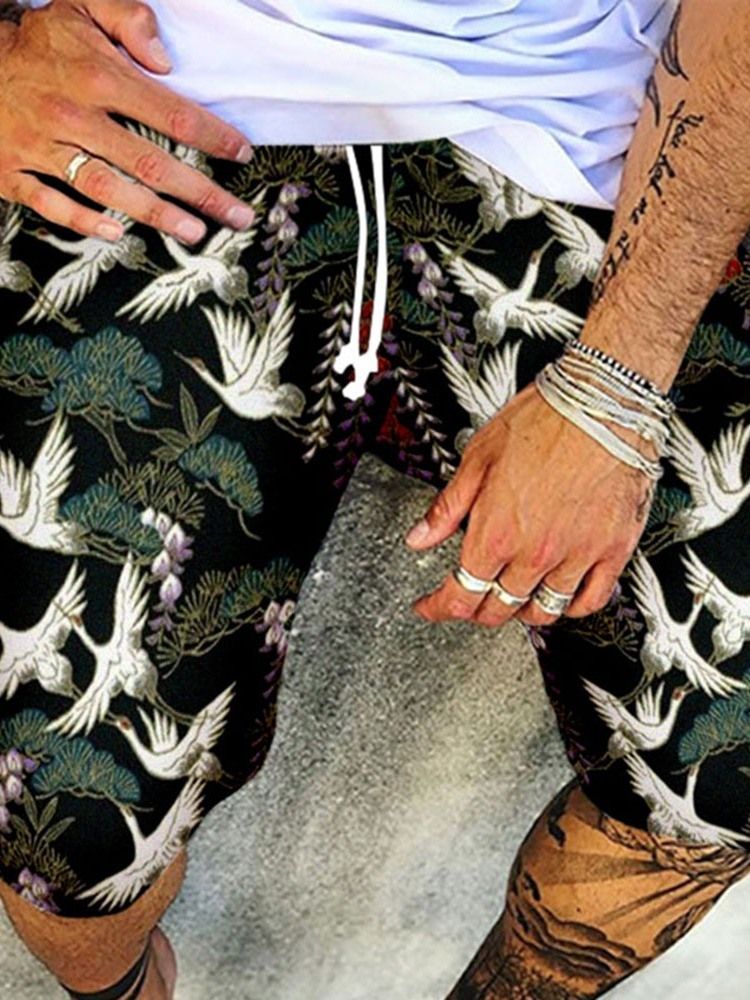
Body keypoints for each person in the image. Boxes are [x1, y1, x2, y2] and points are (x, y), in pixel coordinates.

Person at [0, 1, 749, 998]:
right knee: (68, 829)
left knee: (729, 770)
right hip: (175, 90)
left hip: (585, 122)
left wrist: (617, 386)